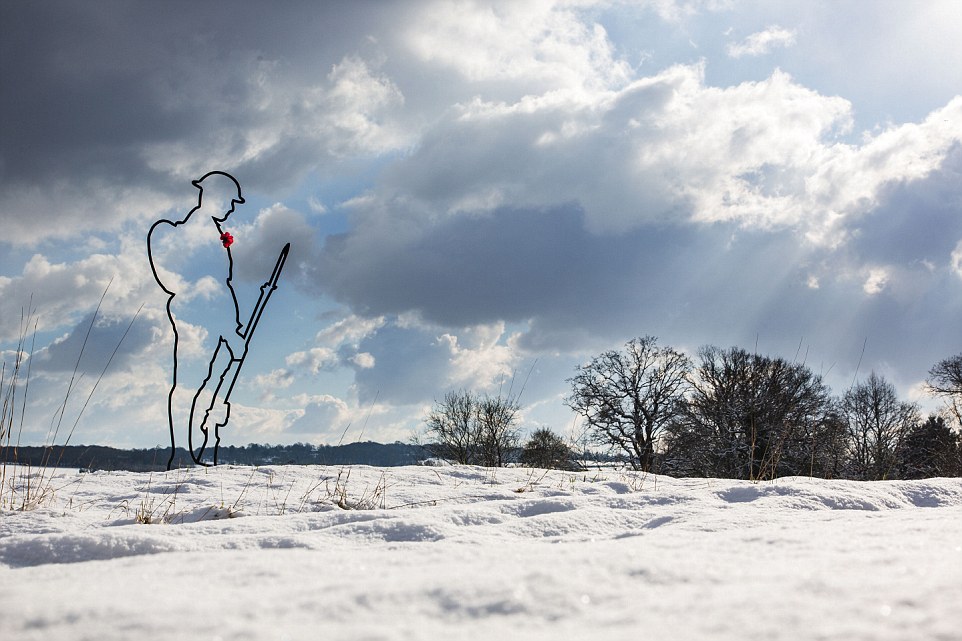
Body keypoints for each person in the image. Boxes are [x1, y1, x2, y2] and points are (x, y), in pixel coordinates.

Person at [147, 171, 247, 469]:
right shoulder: (182, 233)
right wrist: (229, 329)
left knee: (207, 384)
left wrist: (233, 329)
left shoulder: (213, 234)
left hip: (221, 324)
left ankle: (197, 447)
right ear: (212, 196)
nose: (231, 207)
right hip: (198, 324)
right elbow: (205, 290)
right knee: (190, 383)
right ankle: (182, 452)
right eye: (229, 200)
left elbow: (221, 288)